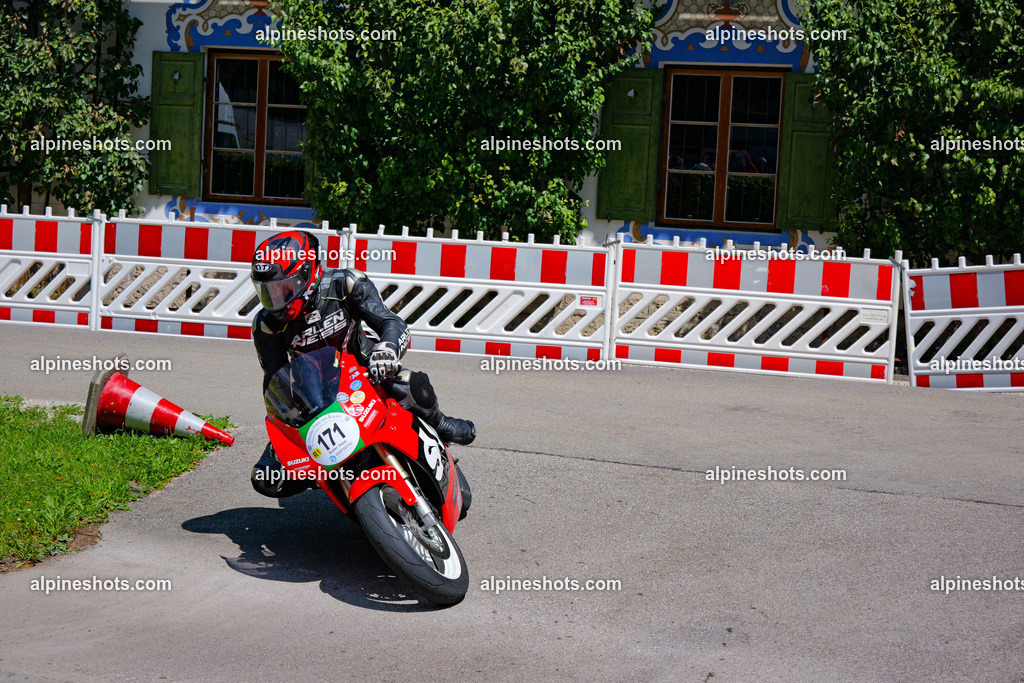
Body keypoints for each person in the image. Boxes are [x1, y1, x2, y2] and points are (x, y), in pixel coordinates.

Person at [247, 230, 475, 509]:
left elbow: (391, 322)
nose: (275, 299)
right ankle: (327, 478)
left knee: (415, 387)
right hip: (315, 397)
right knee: (267, 476)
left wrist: (387, 349)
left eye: (284, 288)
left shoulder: (346, 284)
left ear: (309, 273)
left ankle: (440, 425)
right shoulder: (266, 324)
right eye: (268, 291)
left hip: (367, 371)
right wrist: (285, 421)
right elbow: (274, 377)